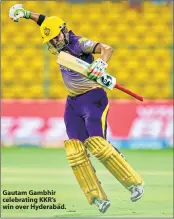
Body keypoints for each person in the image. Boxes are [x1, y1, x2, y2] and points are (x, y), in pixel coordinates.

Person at [9, 4, 144, 213]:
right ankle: (97, 197)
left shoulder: (78, 44)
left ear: (64, 31)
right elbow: (44, 20)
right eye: (50, 40)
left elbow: (107, 48)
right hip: (72, 103)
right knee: (76, 151)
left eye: (56, 37)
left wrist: (102, 64)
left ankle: (134, 184)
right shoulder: (57, 36)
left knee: (98, 145)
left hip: (93, 98)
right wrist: (26, 14)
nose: (54, 42)